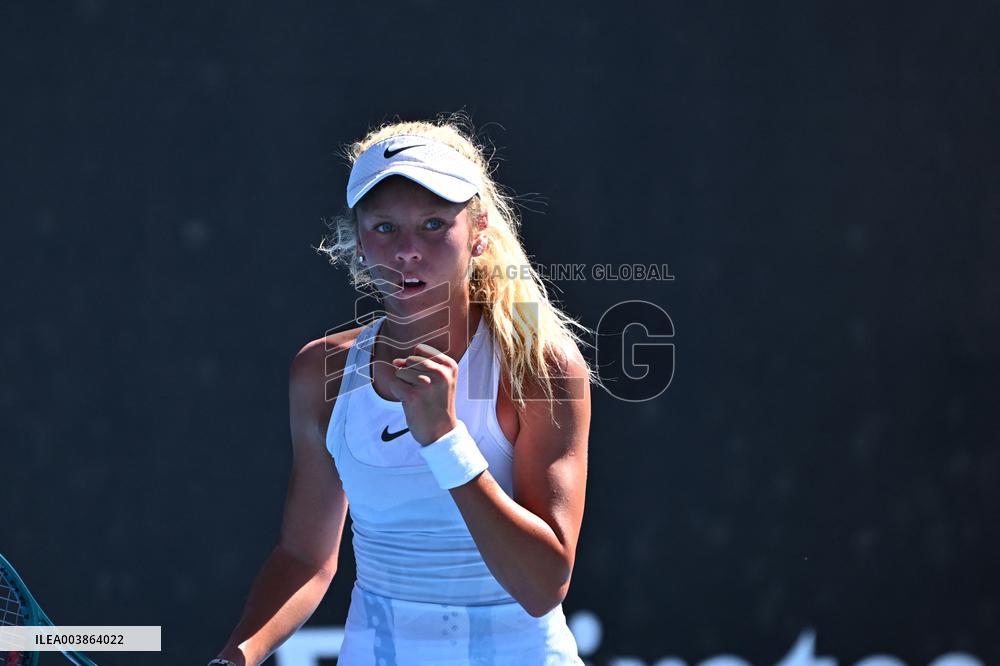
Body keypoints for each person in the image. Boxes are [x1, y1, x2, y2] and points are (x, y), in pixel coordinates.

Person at [209, 115, 597, 665]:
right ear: (359, 240)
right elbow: (304, 557)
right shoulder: (320, 372)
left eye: (435, 224)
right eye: (385, 228)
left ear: (479, 230)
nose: (407, 251)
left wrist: (444, 439)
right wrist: (236, 657)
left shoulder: (541, 369)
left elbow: (542, 586)